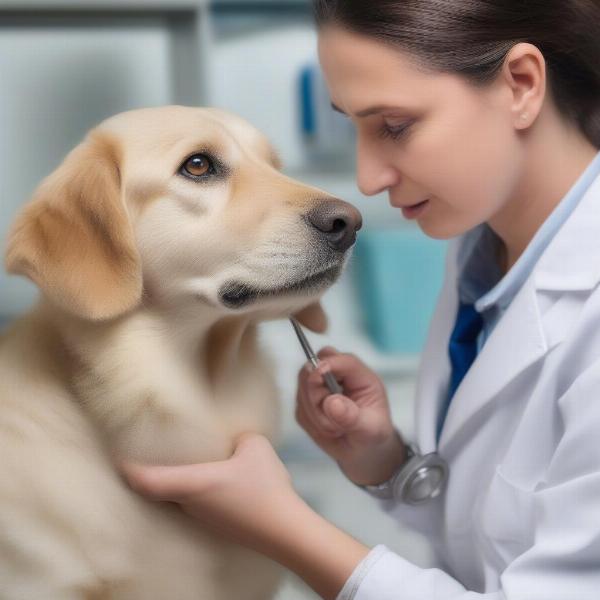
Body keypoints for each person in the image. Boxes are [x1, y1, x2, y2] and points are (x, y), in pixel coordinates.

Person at [120, 1, 600, 598]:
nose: (368, 177)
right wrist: (387, 462)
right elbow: (502, 526)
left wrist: (282, 528)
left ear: (521, 84)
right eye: (354, 126)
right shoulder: (482, 250)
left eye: (394, 126)